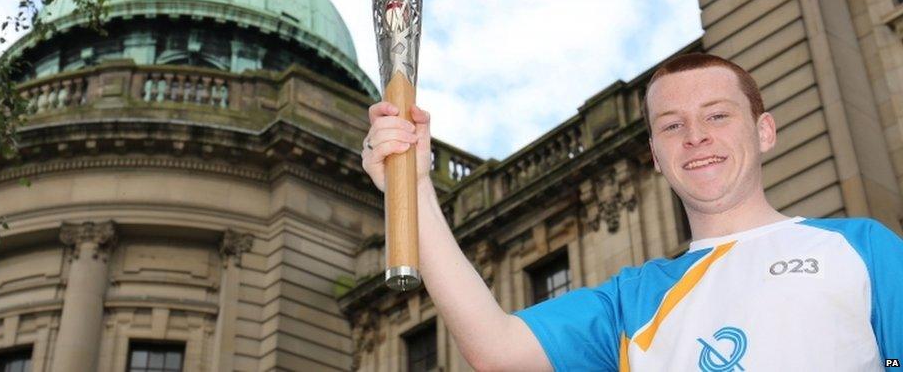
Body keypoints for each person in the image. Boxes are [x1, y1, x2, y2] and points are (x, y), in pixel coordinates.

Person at [360, 53, 903, 371]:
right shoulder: (630, 301)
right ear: (657, 157)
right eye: (671, 125)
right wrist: (414, 187)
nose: (695, 137)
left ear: (764, 132)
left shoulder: (862, 248)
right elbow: (495, 349)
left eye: (717, 115)